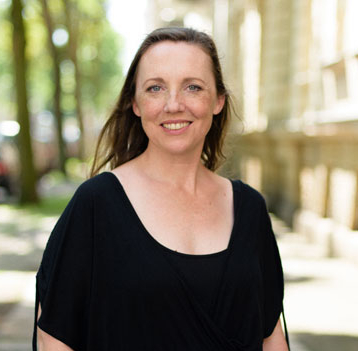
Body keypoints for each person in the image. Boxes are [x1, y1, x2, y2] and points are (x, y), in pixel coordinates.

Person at [33, 27, 289, 351]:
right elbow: (54, 335)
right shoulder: (96, 205)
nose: (173, 105)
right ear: (135, 103)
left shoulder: (250, 209)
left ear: (218, 101)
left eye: (192, 87)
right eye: (155, 88)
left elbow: (270, 335)